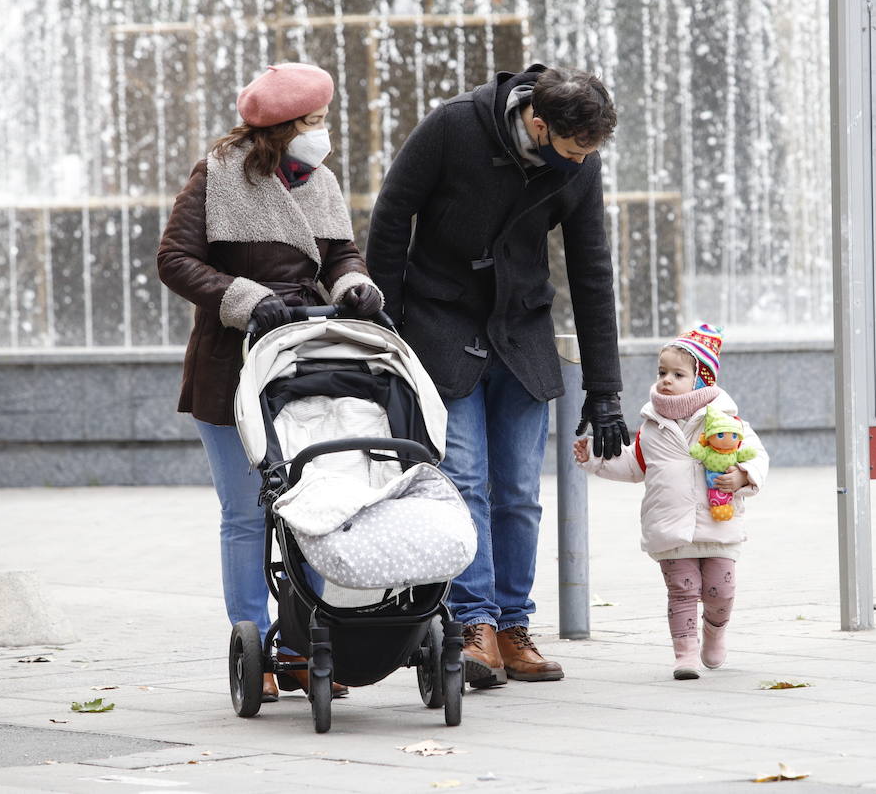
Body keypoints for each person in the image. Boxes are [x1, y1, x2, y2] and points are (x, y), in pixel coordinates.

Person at [366, 64, 628, 687]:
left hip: (521, 337)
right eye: (571, 150)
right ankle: (472, 623)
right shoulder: (455, 125)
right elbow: (390, 218)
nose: (580, 163)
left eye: (588, 152)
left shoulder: (579, 162)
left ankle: (513, 626)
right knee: (464, 483)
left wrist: (606, 390)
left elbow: (593, 270)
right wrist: (389, 335)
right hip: (442, 326)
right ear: (538, 124)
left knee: (519, 493)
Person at [157, 62, 382, 703]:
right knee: (245, 515)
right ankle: (251, 641)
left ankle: (304, 647)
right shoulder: (218, 174)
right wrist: (243, 297)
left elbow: (340, 253)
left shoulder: (321, 179)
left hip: (303, 360)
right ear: (280, 130)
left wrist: (354, 286)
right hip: (231, 365)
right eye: (313, 122)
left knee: (312, 507)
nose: (323, 133)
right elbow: (174, 259)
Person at [573, 324, 769, 680]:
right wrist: (594, 459)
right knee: (683, 591)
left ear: (701, 380)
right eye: (662, 372)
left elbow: (758, 456)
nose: (666, 380)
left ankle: (714, 631)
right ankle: (685, 654)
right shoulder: (652, 424)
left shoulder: (729, 422)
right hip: (670, 526)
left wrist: (743, 476)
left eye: (678, 374)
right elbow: (634, 464)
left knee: (719, 590)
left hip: (718, 522)